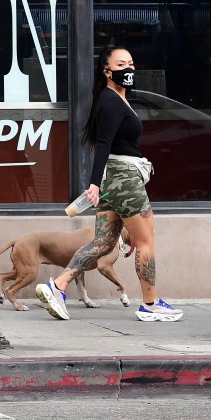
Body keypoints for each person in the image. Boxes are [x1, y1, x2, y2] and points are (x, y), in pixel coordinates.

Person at [35, 45, 183, 323]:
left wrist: (100, 182)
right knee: (145, 242)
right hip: (124, 178)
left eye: (130, 63)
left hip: (114, 179)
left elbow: (106, 144)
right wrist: (93, 183)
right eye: (120, 65)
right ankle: (150, 304)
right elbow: (102, 144)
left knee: (103, 243)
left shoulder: (113, 98)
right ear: (107, 71)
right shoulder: (111, 101)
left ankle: (58, 286)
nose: (128, 69)